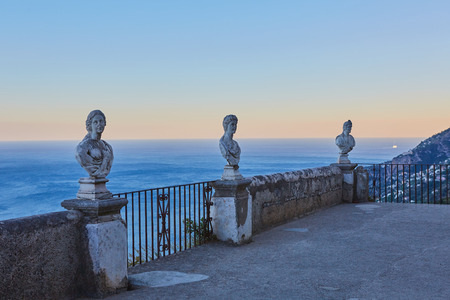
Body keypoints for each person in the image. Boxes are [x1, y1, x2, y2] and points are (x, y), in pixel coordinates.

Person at [75, 110, 114, 178]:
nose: (99, 124)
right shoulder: (83, 147)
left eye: (101, 121)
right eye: (95, 122)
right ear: (90, 125)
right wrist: (105, 159)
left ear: (105, 123)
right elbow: (97, 172)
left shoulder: (108, 147)